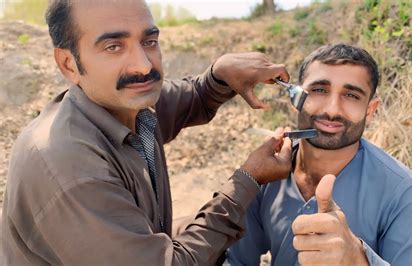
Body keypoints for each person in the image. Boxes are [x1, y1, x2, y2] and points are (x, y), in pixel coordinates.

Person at [1, 0, 294, 265]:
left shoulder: (124, 105)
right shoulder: (70, 167)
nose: (143, 65)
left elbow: (191, 98)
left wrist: (219, 75)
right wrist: (248, 181)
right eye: (114, 46)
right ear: (69, 63)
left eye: (149, 41)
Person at [227, 44, 412, 265]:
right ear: (295, 99)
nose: (332, 109)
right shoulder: (266, 174)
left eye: (351, 95)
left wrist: (358, 260)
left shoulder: (404, 195)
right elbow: (235, 260)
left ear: (370, 110)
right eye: (319, 90)